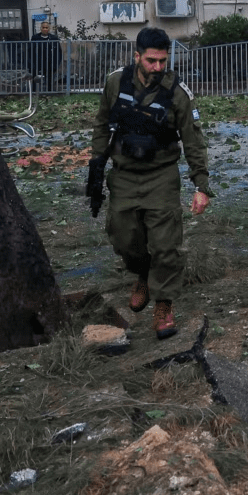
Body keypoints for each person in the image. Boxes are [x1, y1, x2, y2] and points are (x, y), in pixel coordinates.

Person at [90, 27, 211, 340]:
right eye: (151, 61)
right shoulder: (116, 82)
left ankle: (164, 306)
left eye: (163, 61)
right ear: (137, 57)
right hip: (125, 175)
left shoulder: (178, 92)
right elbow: (103, 124)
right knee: (123, 237)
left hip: (161, 175)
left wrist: (201, 184)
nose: (158, 67)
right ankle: (142, 274)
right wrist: (96, 167)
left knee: (166, 245)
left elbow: (193, 139)